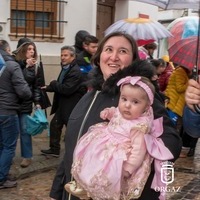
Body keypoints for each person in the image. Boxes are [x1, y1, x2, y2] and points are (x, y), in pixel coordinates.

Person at [49, 32, 182, 200]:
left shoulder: (137, 97)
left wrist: (137, 143)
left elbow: (172, 143)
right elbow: (72, 147)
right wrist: (56, 191)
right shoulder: (90, 94)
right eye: (109, 49)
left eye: (123, 51)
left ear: (133, 60)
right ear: (99, 57)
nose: (114, 57)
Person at [65, 75, 174, 200]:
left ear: (147, 106)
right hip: (104, 144)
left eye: (135, 102)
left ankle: (99, 193)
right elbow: (115, 111)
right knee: (89, 163)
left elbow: (138, 151)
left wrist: (128, 168)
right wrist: (108, 113)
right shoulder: (121, 111)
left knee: (107, 177)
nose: (127, 105)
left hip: (117, 156)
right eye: (124, 99)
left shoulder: (139, 126)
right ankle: (84, 186)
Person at [41, 46, 86, 157]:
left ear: (72, 56)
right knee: (55, 125)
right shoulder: (67, 68)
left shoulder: (75, 71)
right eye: (61, 55)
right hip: (63, 104)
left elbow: (66, 89)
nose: (62, 57)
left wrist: (53, 83)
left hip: (70, 105)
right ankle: (54, 149)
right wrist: (47, 88)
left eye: (65, 55)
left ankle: (78, 152)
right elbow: (61, 85)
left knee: (71, 130)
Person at [0, 40, 32, 188]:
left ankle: (2, 173)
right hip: (7, 111)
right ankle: (1, 178)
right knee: (9, 146)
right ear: (7, 50)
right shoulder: (12, 65)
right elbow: (24, 91)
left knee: (1, 145)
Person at [14, 39, 42, 168]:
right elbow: (16, 77)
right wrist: (25, 64)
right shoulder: (15, 62)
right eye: (29, 49)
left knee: (25, 130)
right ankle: (8, 155)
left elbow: (36, 86)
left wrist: (37, 102)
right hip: (12, 103)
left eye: (33, 49)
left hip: (25, 103)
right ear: (23, 50)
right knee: (11, 131)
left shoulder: (35, 66)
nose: (32, 52)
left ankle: (27, 156)